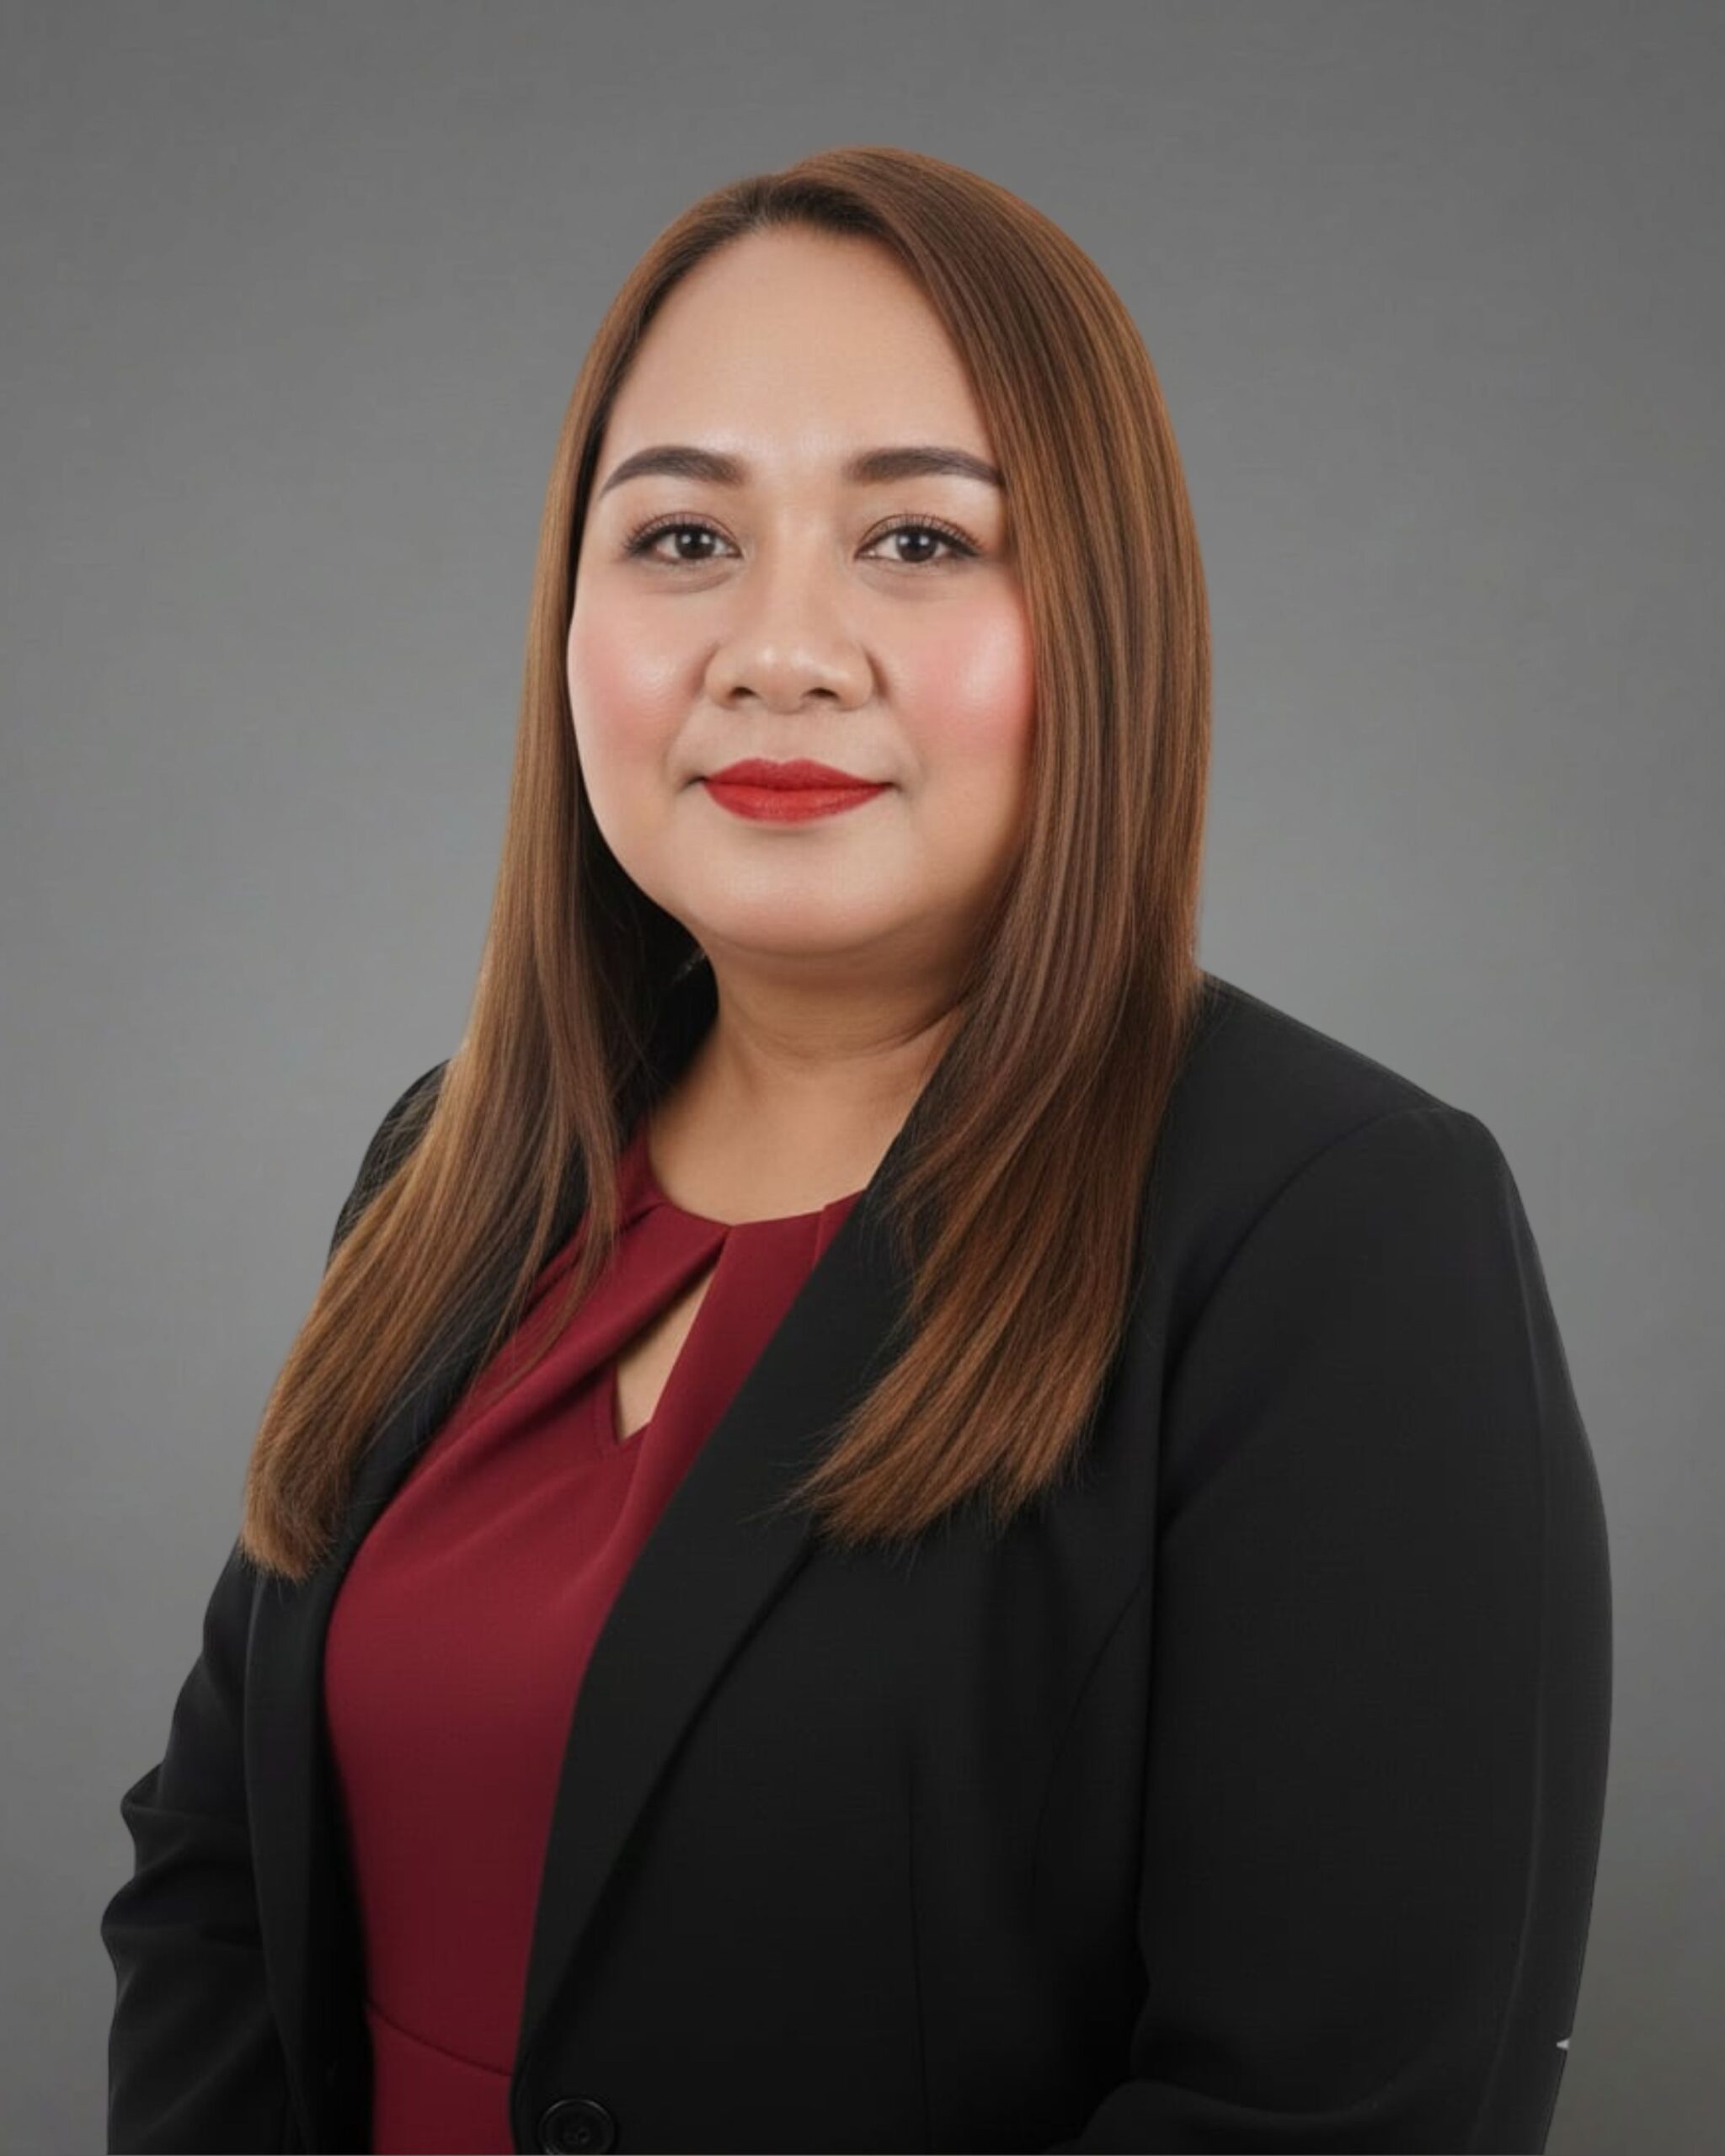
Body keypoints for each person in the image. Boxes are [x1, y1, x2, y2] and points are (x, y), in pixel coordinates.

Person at [101, 147, 1611, 2155]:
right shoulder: (448, 1166)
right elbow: (219, 1878)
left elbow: (1325, 2113)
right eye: (682, 538)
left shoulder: (1339, 1236)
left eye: (915, 537)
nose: (779, 647)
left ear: (1102, 619)